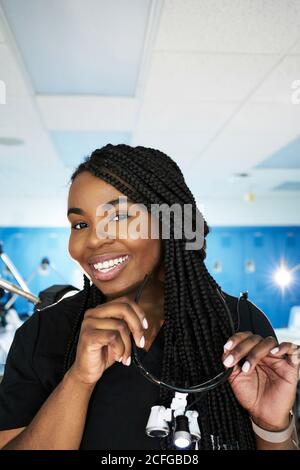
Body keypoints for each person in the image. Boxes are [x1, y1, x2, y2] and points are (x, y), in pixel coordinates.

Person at [0, 144, 299, 450]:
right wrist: (78, 380)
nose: (92, 239)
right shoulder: (43, 335)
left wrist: (271, 426)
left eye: (118, 217)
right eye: (80, 224)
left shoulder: (241, 325)